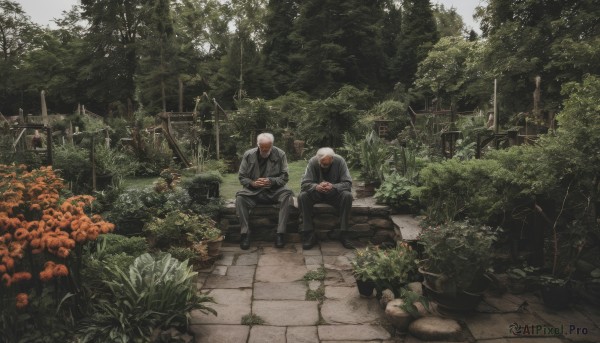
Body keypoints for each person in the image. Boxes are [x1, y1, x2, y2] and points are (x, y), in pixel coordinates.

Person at [236, 133, 294, 250]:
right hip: (254, 192)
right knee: (240, 198)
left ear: (272, 145)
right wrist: (253, 183)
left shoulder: (280, 154)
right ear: (258, 145)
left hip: (274, 191)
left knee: (287, 195)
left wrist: (270, 181)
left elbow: (285, 177)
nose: (264, 150)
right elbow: (242, 177)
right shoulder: (248, 155)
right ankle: (245, 234)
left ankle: (280, 233)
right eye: (262, 147)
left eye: (267, 148)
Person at [298, 147, 353, 250]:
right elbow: (304, 184)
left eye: (327, 164)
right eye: (322, 164)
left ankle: (344, 233)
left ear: (332, 159)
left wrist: (333, 186)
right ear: (318, 160)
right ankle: (309, 233)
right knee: (303, 196)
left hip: (334, 193)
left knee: (347, 196)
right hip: (317, 193)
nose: (324, 166)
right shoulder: (313, 161)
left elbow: (348, 183)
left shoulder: (340, 161)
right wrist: (316, 186)